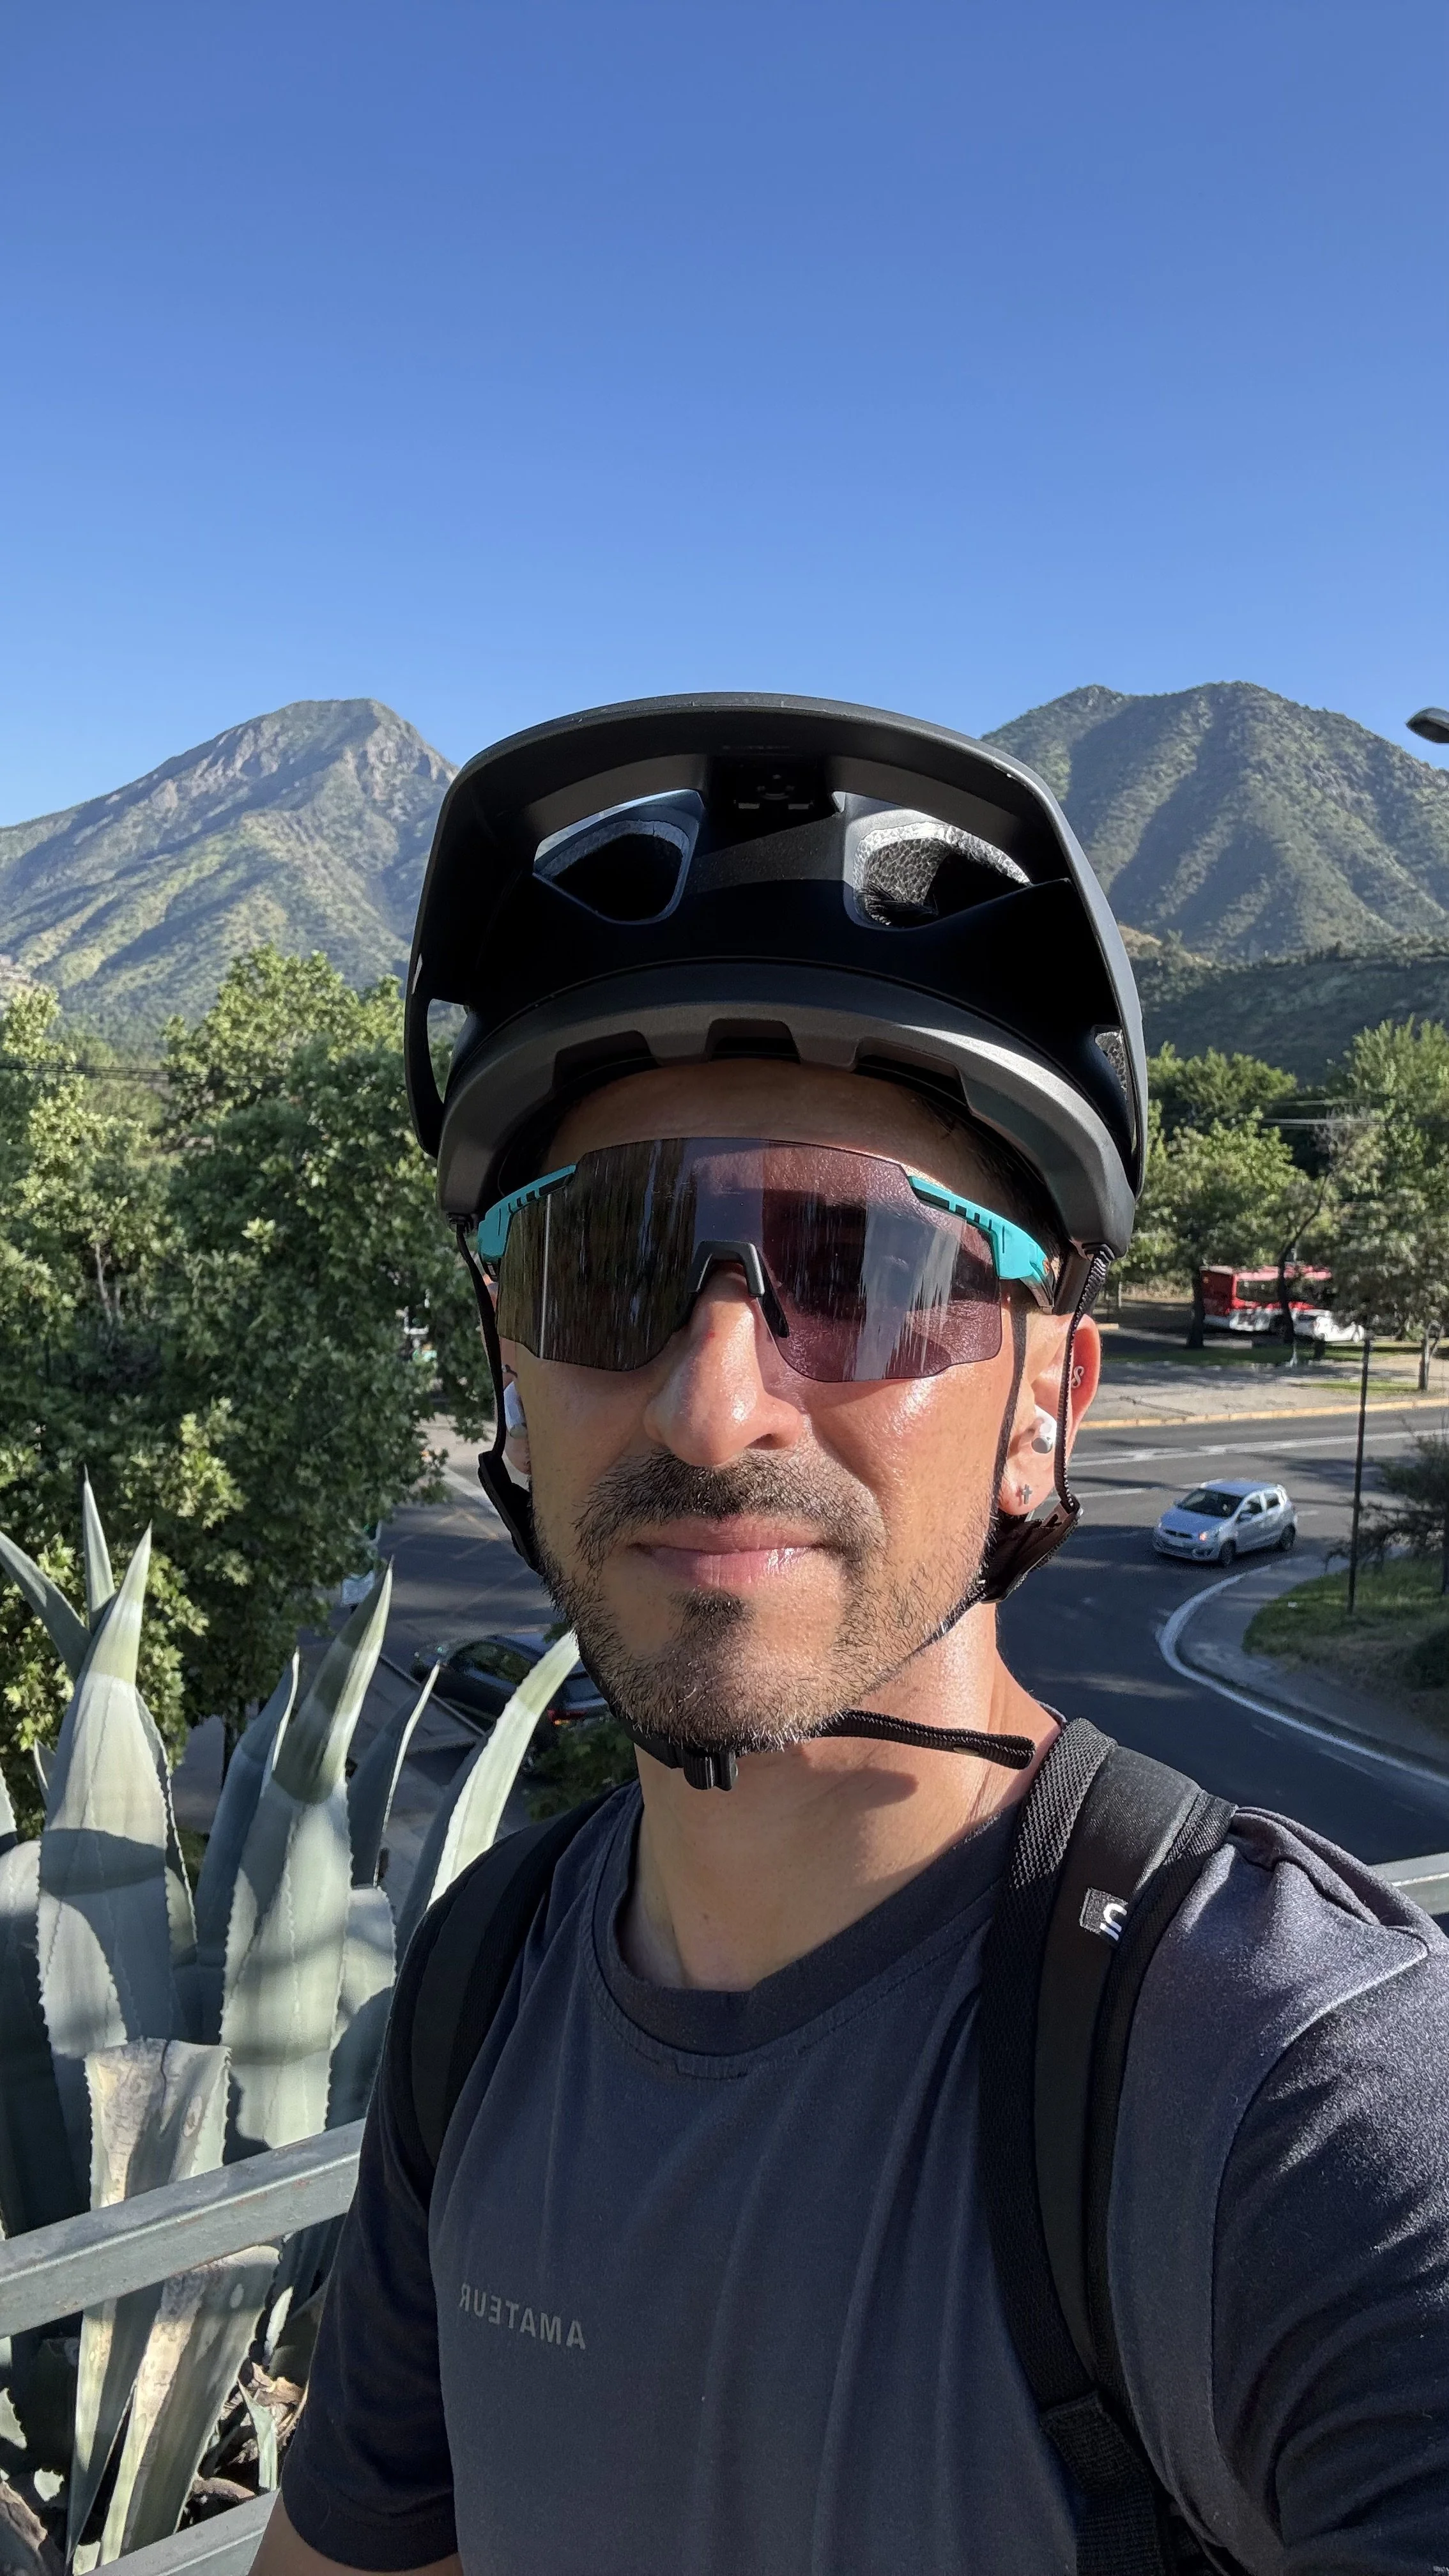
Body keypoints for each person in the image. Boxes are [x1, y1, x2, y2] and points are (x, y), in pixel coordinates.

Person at [259, 698, 1449, 2576]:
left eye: (863, 1270)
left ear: (1047, 1399)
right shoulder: (483, 1998)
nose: (713, 1405)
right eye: (610, 1265)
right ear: (510, 1369)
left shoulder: (1291, 2097)